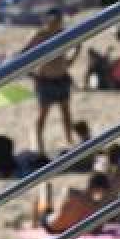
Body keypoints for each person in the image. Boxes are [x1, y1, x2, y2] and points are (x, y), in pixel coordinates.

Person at [20, 10, 79, 158]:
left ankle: (70, 141)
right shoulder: (40, 35)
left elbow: (71, 53)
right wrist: (31, 74)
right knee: (42, 116)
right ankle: (38, 147)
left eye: (58, 21)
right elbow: (22, 54)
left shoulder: (63, 34)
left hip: (61, 78)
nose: (56, 23)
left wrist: (73, 57)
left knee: (66, 113)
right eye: (54, 21)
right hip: (45, 80)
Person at [33, 172, 115, 235]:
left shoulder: (71, 192)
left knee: (46, 195)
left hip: (51, 226)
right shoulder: (94, 206)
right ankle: (44, 186)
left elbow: (58, 208)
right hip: (61, 228)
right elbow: (98, 229)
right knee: (45, 190)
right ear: (99, 189)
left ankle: (34, 222)